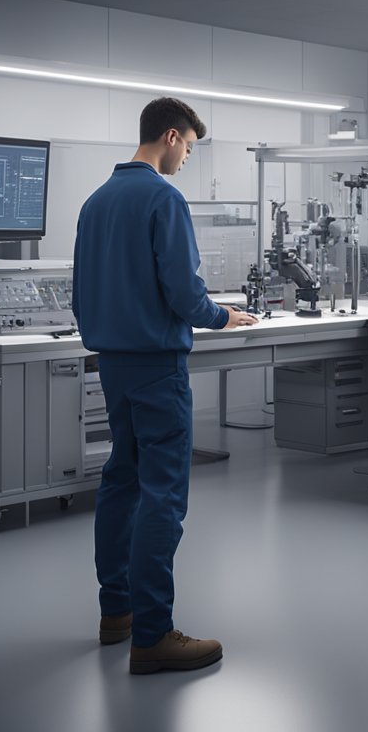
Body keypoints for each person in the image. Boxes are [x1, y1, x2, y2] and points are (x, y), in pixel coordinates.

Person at [72, 96, 257, 675]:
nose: (187, 162)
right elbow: (183, 291)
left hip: (114, 363)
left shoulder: (95, 202)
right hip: (157, 367)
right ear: (172, 137)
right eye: (190, 150)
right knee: (163, 496)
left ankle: (117, 613)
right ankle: (153, 635)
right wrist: (224, 315)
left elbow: (82, 293)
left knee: (120, 481)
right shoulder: (162, 197)